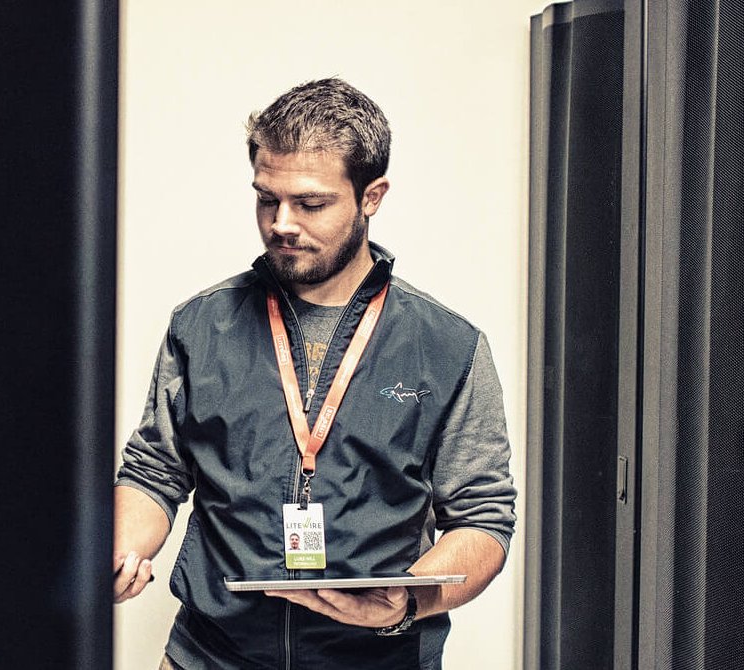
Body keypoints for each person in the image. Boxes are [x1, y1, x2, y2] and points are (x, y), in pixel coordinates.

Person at [112, 78, 518, 669]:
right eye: (265, 198)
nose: (281, 223)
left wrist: (406, 600)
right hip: (210, 658)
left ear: (371, 196)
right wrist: (124, 549)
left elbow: (481, 520)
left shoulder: (449, 346)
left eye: (310, 204)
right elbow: (154, 472)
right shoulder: (200, 325)